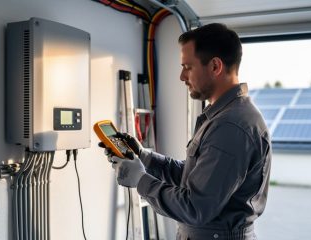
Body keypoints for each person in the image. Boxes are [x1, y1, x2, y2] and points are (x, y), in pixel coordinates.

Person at [100, 23, 271, 240]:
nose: (182, 76)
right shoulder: (222, 116)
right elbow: (195, 179)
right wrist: (144, 156)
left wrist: (140, 180)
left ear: (215, 66)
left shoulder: (231, 126)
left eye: (188, 67)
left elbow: (195, 207)